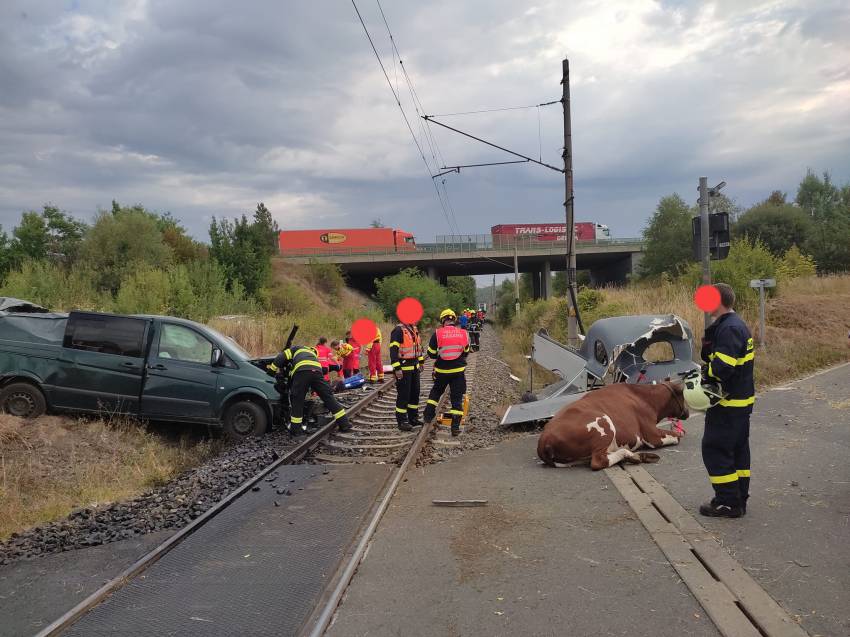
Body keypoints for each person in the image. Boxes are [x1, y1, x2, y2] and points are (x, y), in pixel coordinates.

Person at [698, 283, 755, 518]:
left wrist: (704, 373)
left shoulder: (729, 329)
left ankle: (727, 503)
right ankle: (739, 498)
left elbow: (722, 367)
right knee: (738, 451)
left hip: (728, 404)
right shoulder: (733, 325)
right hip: (740, 402)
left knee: (715, 449)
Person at [268, 344, 351, 435]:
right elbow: (323, 369)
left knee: (298, 401)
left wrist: (271, 371)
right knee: (329, 398)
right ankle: (345, 424)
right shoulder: (313, 354)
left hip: (302, 372)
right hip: (317, 373)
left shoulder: (296, 348)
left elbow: (281, 357)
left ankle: (296, 431)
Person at [423, 309, 470, 436]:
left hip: (442, 371)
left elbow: (431, 354)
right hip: (458, 372)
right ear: (454, 319)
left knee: (436, 392)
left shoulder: (437, 334)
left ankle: (428, 416)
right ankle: (455, 428)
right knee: (456, 398)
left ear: (443, 320)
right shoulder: (463, 333)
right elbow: (466, 351)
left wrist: (440, 354)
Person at [388, 320, 424, 431]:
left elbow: (419, 347)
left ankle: (413, 418)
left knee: (415, 393)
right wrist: (397, 368)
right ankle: (402, 421)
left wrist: (421, 361)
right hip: (403, 369)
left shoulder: (414, 329)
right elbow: (393, 350)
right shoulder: (398, 330)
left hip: (414, 367)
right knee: (404, 395)